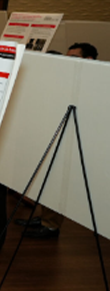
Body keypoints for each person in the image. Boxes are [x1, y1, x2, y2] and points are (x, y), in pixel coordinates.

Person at [19, 42, 99, 239]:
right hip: (59, 134)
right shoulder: (72, 78)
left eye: (73, 58)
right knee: (50, 180)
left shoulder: (95, 83)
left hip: (73, 141)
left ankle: (51, 225)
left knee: (59, 183)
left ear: (88, 60)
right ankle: (45, 217)